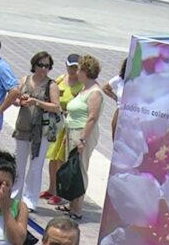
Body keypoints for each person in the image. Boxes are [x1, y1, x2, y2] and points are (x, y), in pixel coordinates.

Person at [9, 50, 61, 211]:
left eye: (47, 66)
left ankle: (30, 200)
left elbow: (56, 106)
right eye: (40, 65)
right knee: (19, 164)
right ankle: (14, 197)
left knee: (36, 166)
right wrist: (20, 102)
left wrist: (37, 102)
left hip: (41, 131)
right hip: (23, 127)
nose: (43, 69)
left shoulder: (51, 85)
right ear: (34, 65)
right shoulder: (24, 80)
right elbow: (14, 98)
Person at [60, 53, 103, 221]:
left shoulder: (95, 92)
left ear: (85, 70)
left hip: (83, 133)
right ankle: (71, 203)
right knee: (72, 168)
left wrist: (83, 139)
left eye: (78, 69)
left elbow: (92, 117)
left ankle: (77, 208)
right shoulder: (84, 89)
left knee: (80, 169)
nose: (76, 72)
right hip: (72, 130)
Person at [42, 54, 84, 204]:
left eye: (75, 67)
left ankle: (60, 192)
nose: (72, 70)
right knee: (52, 159)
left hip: (68, 124)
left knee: (61, 160)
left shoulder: (81, 85)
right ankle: (51, 188)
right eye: (70, 66)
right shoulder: (61, 78)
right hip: (56, 123)